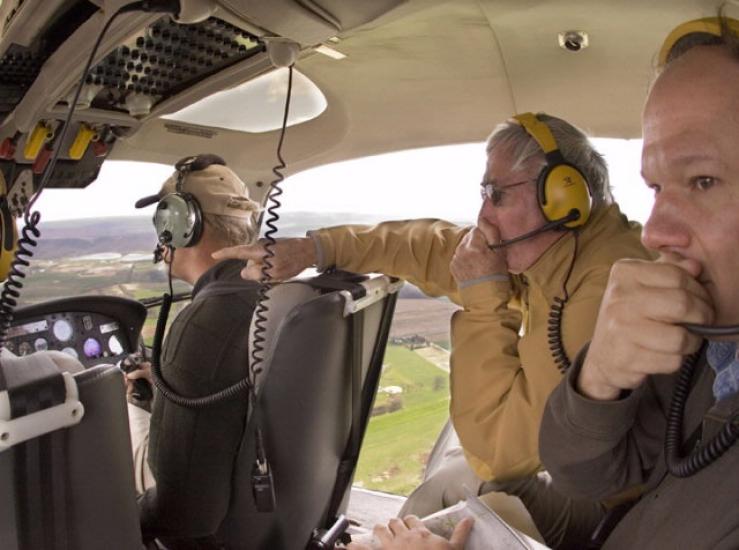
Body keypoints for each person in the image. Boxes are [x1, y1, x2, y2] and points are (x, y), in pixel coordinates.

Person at [213, 114, 651, 547]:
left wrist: (484, 299)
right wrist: (316, 248)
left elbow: (500, 454)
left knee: (460, 488)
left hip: (617, 507)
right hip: (590, 474)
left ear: (562, 196)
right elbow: (432, 246)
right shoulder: (561, 250)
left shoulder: (603, 285)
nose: (483, 214)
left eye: (496, 194)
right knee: (448, 482)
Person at [538, 16, 739, 549]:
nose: (654, 232)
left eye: (702, 180)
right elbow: (585, 477)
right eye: (655, 186)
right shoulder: (710, 346)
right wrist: (599, 378)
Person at [125, 154, 262, 546]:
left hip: (211, 535)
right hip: (264, 514)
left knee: (110, 419)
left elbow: (181, 513)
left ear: (178, 223)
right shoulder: (267, 295)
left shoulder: (204, 324)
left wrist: (106, 519)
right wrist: (170, 380)